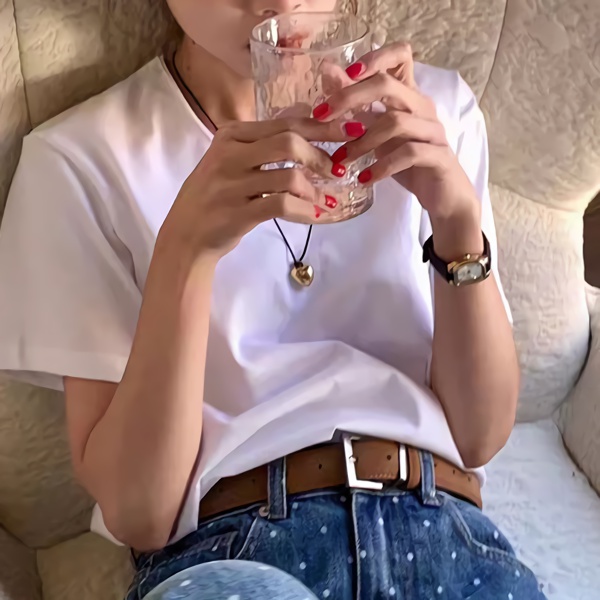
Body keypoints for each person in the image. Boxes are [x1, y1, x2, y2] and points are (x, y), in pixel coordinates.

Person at [0, 0, 547, 598]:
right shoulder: (81, 161)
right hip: (236, 547)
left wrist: (458, 222)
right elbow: (140, 514)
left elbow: (478, 436)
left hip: (447, 533)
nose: (282, 5)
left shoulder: (429, 114)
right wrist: (185, 254)